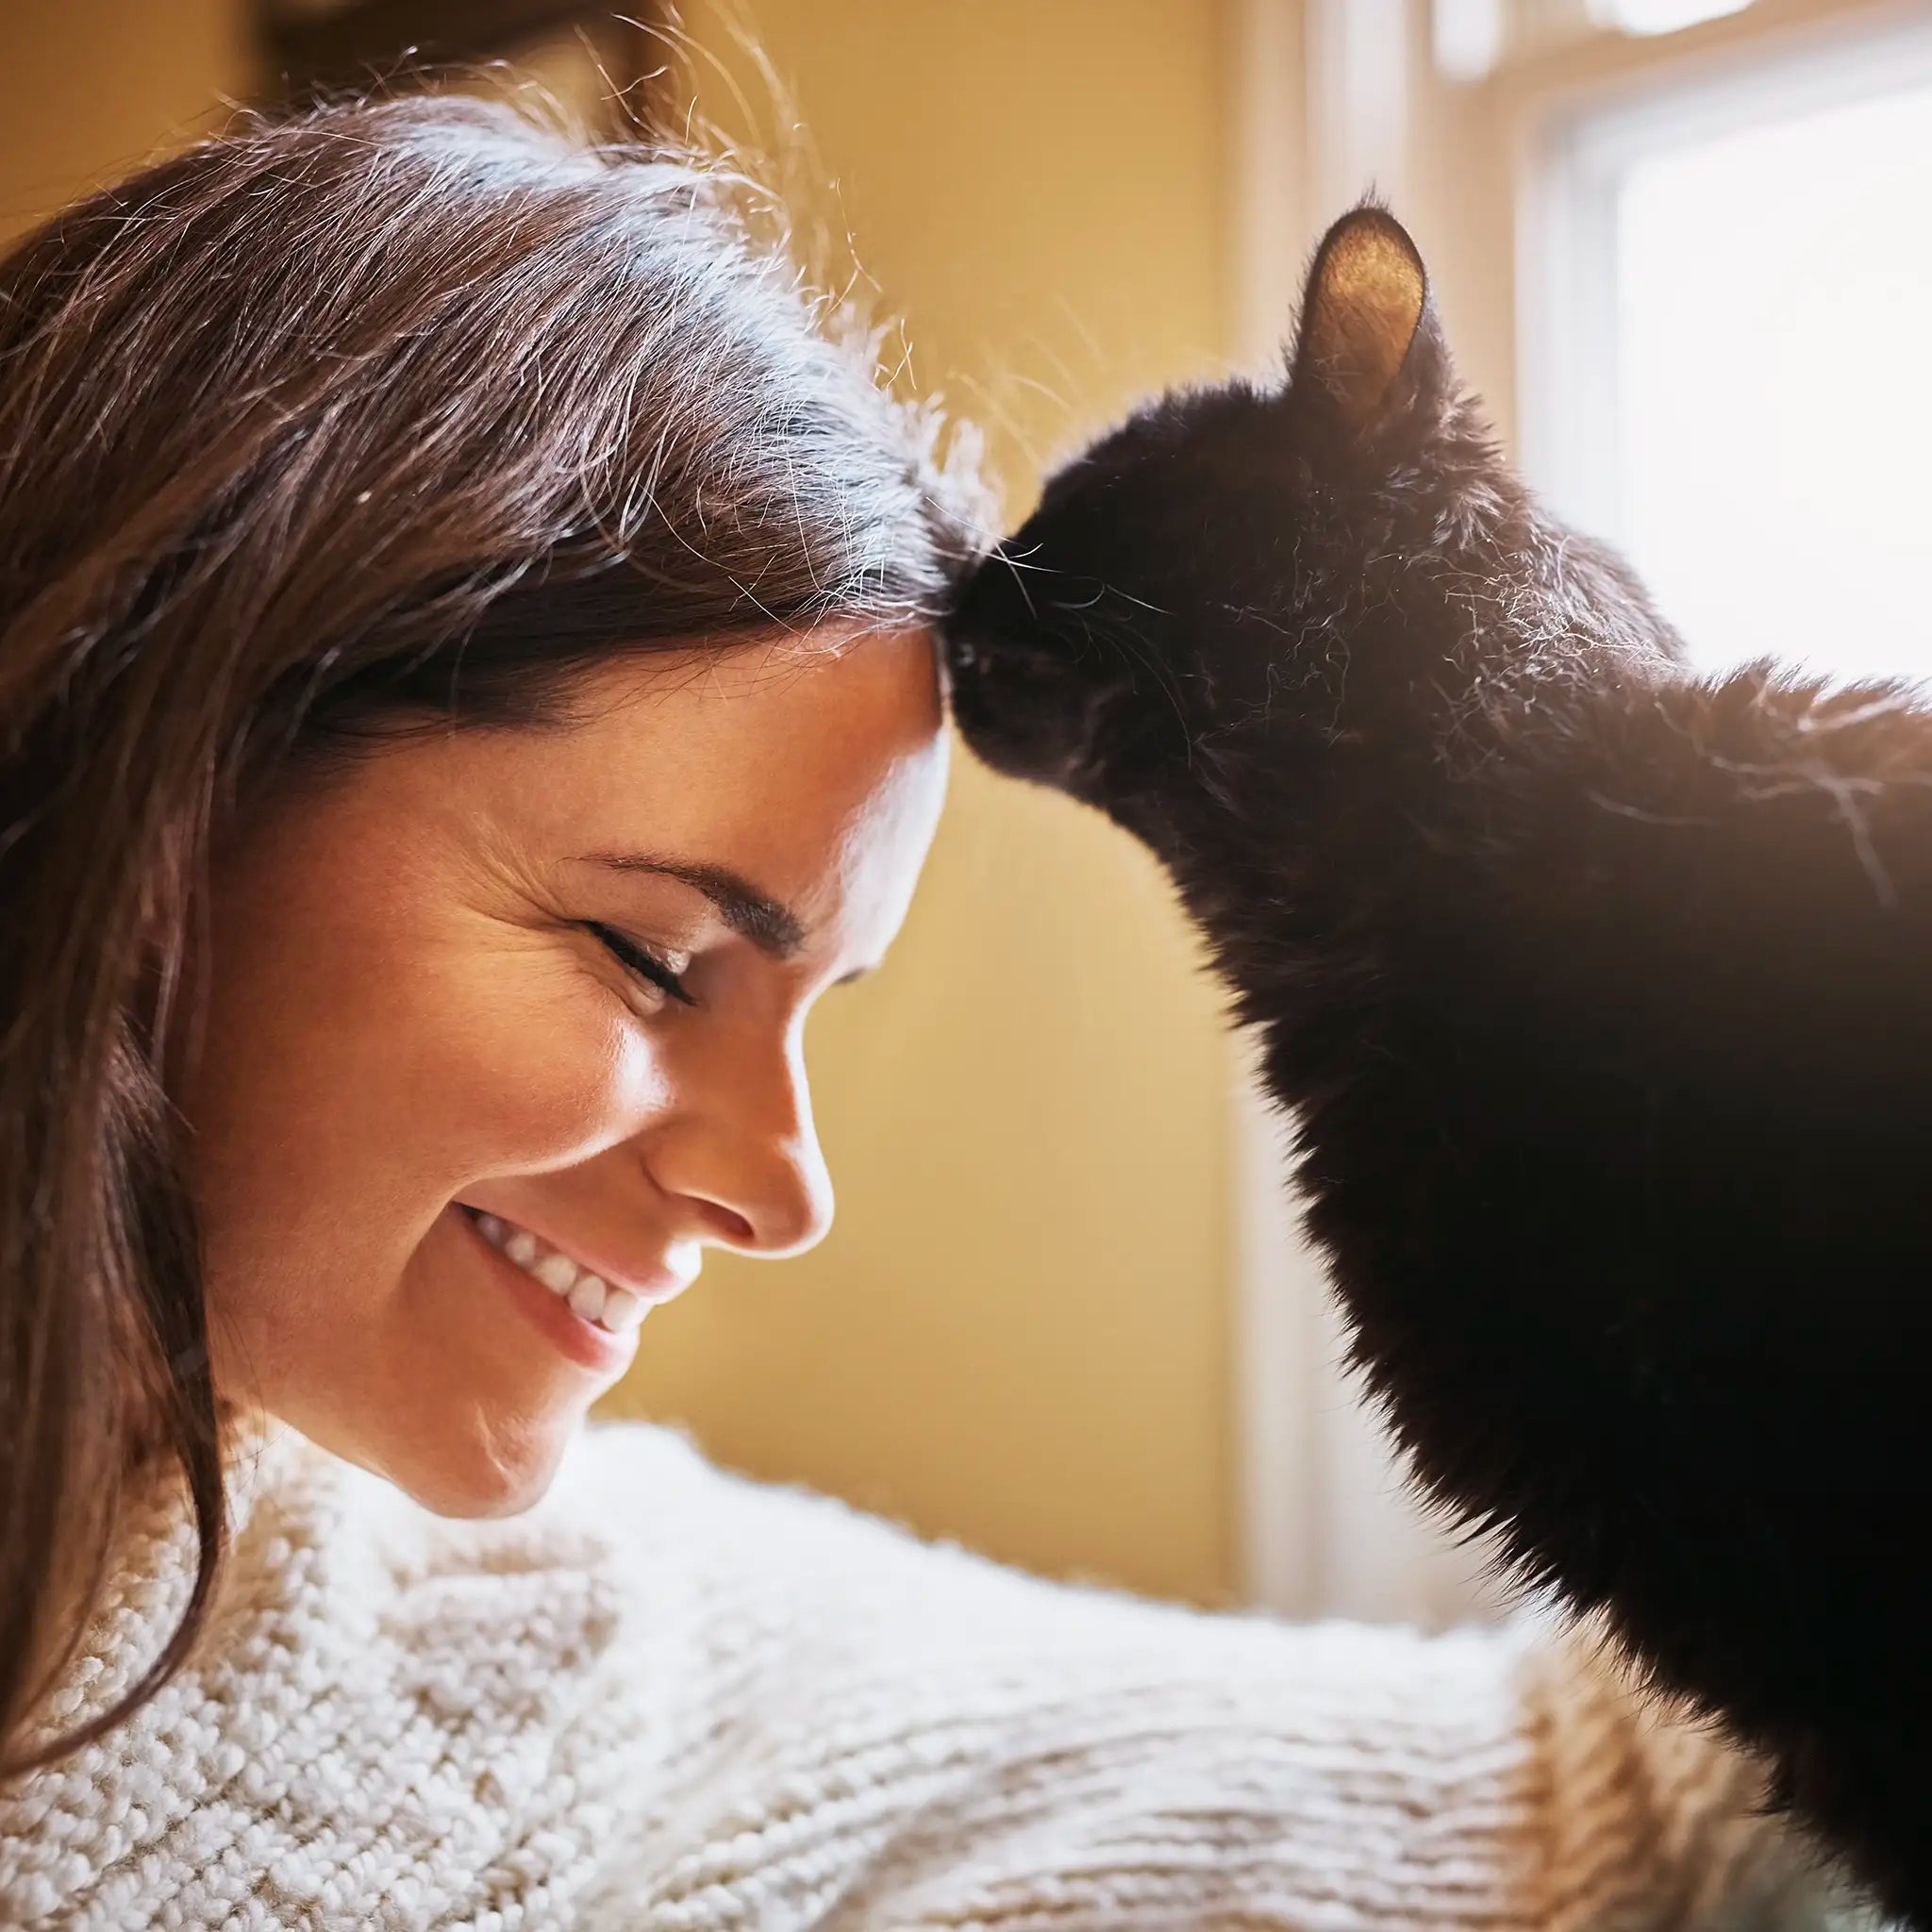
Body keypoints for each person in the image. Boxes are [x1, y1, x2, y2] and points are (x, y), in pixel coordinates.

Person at [0, 92, 1843, 1930]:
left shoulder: (614, 1604)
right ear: (156, 770)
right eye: (652, 959)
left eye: (813, 1002)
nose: (783, 1194)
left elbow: (1562, 1785)